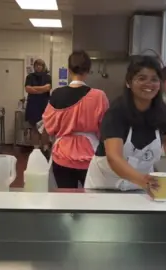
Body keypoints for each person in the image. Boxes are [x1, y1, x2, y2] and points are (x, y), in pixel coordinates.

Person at [84, 55, 166, 194]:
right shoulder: (116, 112)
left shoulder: (162, 111)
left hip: (140, 189)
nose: (149, 84)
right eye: (141, 78)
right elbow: (114, 157)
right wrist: (143, 181)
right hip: (105, 187)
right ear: (128, 82)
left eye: (154, 79)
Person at [43, 50, 109, 188]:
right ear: (88, 70)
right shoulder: (99, 96)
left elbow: (48, 126)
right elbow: (106, 129)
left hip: (61, 156)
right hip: (90, 157)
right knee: (91, 201)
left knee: (65, 201)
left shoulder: (56, 94)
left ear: (69, 69)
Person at [25, 59, 52, 156]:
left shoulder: (48, 77)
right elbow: (27, 89)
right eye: (37, 65)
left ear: (43, 66)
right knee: (34, 128)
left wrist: (34, 89)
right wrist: (41, 90)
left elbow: (48, 88)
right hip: (33, 106)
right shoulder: (29, 77)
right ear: (34, 66)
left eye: (41, 65)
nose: (38, 67)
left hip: (44, 106)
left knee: (45, 128)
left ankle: (45, 148)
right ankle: (35, 149)